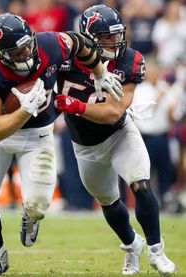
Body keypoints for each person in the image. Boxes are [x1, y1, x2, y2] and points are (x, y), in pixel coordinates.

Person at [0, 13, 123, 276]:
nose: (26, 52)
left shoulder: (50, 45)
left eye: (28, 45)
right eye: (17, 51)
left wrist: (99, 72)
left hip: (36, 136)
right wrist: (23, 110)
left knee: (37, 206)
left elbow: (79, 42)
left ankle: (30, 217)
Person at [55, 4, 176, 276]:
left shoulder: (129, 60)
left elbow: (113, 112)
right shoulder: (65, 58)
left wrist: (75, 106)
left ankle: (157, 250)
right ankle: (132, 245)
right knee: (109, 202)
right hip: (85, 146)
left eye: (117, 34)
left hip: (120, 133)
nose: (114, 41)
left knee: (141, 185)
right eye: (106, 36)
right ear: (88, 37)